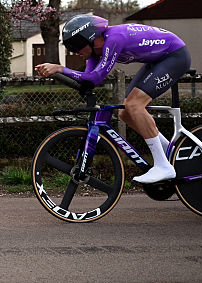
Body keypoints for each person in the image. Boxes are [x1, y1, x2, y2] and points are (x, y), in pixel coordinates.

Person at [35, 14, 191, 184]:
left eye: (77, 47)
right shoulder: (95, 51)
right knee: (125, 112)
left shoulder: (114, 39)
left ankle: (163, 166)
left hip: (175, 57)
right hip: (157, 61)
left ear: (91, 39)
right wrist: (63, 75)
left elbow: (95, 78)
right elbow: (89, 79)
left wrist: (59, 68)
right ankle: (168, 149)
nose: (76, 53)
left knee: (134, 106)